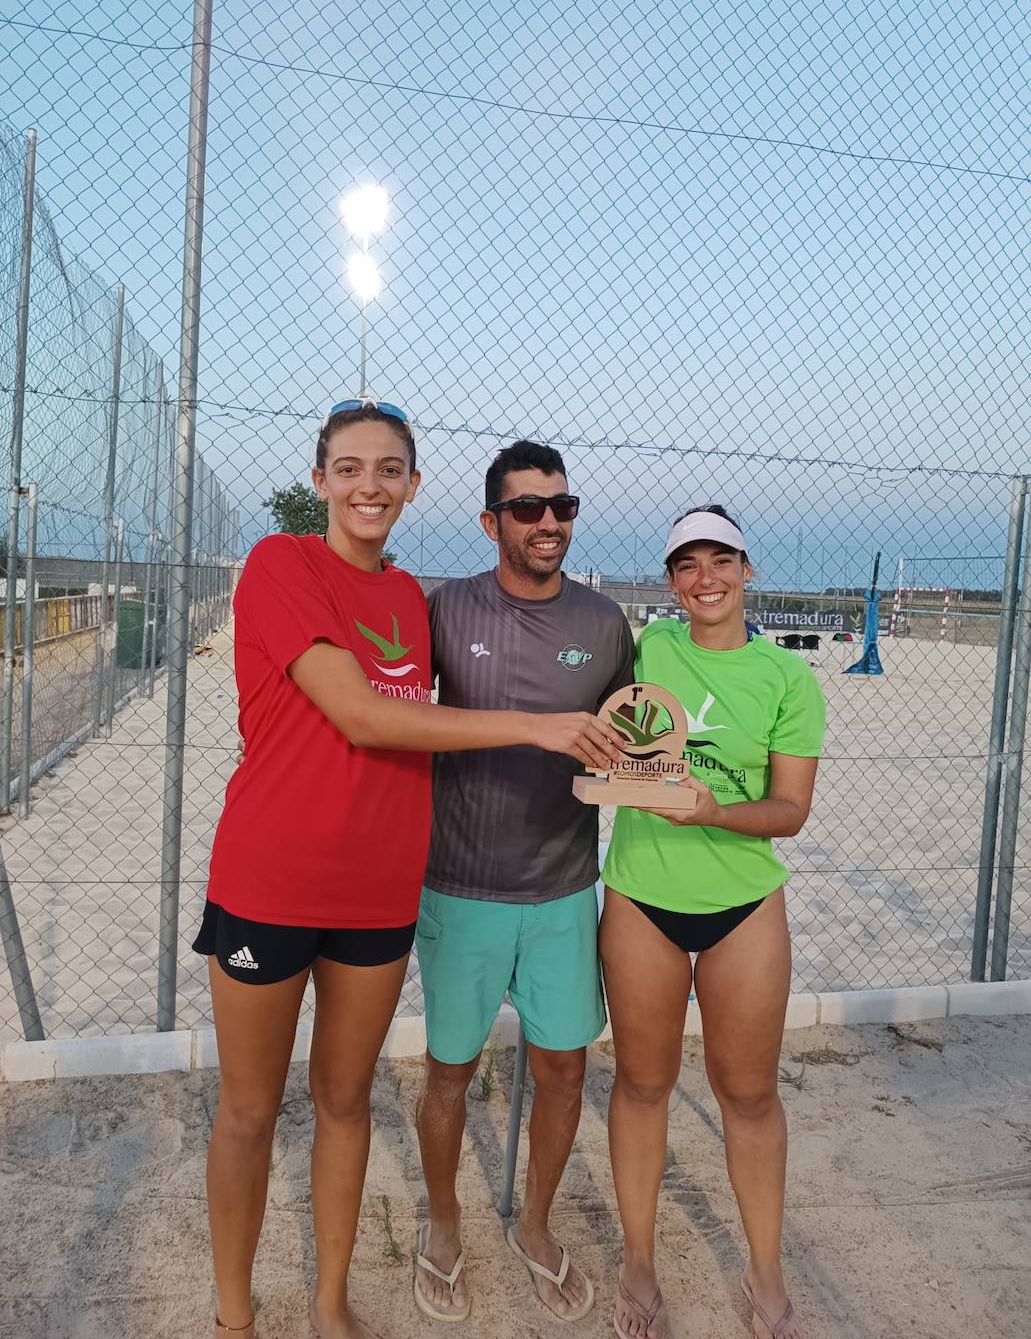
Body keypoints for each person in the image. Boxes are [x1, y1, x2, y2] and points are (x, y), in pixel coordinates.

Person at [196, 402, 622, 1339]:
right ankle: (234, 1317)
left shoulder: (403, 599)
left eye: (389, 470)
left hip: (381, 891)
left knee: (346, 1101)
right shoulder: (282, 563)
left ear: (414, 486)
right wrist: (534, 726)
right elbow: (365, 717)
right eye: (348, 468)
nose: (368, 486)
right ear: (319, 482)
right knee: (250, 1110)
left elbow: (463, 704)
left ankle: (330, 1301)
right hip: (271, 881)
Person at [412, 441, 635, 1324]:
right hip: (458, 885)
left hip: (563, 887)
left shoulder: (605, 623)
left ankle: (535, 1225)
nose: (549, 522)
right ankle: (439, 1222)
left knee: (565, 1072)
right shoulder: (445, 607)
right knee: (446, 1077)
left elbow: (635, 744)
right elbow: (395, 711)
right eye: (528, 508)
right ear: (490, 521)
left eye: (562, 506)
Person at [600, 505, 825, 1339]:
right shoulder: (647, 649)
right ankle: (638, 1266)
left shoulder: (786, 678)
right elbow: (603, 729)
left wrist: (712, 812)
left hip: (743, 906)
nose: (705, 578)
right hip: (640, 898)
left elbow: (789, 811)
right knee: (643, 1084)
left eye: (720, 560)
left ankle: (765, 1276)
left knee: (749, 1094)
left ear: (746, 568)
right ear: (669, 581)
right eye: (686, 564)